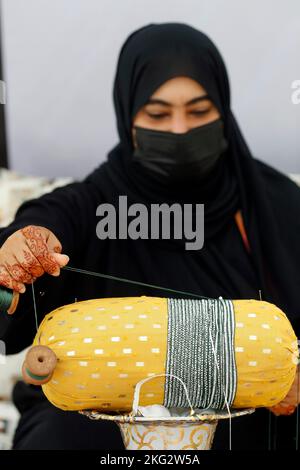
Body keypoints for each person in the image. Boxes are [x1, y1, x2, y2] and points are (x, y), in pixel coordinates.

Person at [0, 22, 299, 450]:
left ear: (224, 110)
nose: (179, 130)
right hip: (103, 417)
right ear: (129, 114)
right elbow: (47, 222)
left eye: (198, 112)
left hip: (242, 416)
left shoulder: (274, 206)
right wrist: (20, 247)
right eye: (158, 114)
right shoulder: (94, 204)